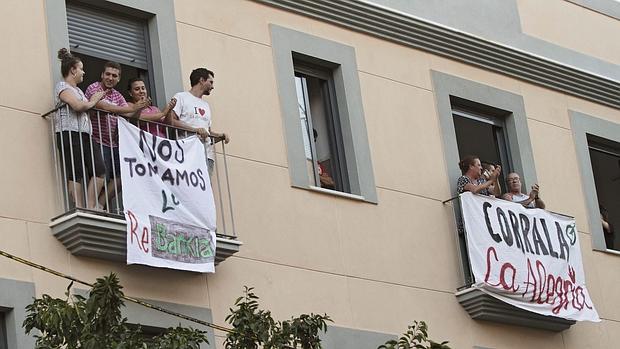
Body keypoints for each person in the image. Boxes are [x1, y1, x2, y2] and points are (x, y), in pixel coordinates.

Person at [84, 62, 147, 210]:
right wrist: (127, 109)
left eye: (114, 76)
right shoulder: (94, 88)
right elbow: (101, 106)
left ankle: (101, 203)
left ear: (118, 79)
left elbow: (131, 115)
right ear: (102, 75)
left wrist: (138, 109)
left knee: (122, 176)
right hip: (97, 140)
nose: (110, 78)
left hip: (114, 143)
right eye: (108, 74)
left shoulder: (118, 95)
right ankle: (91, 206)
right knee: (101, 174)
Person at [53, 48, 107, 209]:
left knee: (100, 170)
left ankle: (90, 206)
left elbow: (83, 105)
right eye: (81, 69)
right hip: (69, 132)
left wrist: (91, 102)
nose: (83, 72)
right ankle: (80, 207)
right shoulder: (62, 86)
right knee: (76, 172)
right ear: (72, 70)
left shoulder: (79, 91)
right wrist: (94, 100)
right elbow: (77, 106)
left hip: (85, 134)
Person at [169, 68, 229, 177]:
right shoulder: (181, 97)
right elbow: (171, 121)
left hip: (207, 156)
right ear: (201, 80)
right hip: (187, 150)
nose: (212, 86)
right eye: (210, 82)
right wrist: (195, 130)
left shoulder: (206, 106)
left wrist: (219, 136)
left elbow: (207, 131)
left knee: (204, 192)